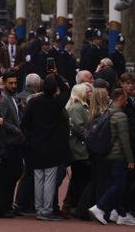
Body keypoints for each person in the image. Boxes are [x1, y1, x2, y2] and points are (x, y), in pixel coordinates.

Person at [22, 75, 71, 221]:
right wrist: (57, 76)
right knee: (49, 179)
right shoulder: (57, 103)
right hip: (53, 145)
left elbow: (25, 123)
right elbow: (67, 91)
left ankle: (39, 208)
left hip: (36, 144)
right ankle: (47, 209)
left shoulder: (34, 102)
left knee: (38, 178)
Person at [89, 88, 135, 225]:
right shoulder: (120, 116)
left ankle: (120, 213)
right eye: (125, 99)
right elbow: (124, 140)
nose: (127, 101)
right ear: (121, 99)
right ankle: (100, 207)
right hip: (118, 155)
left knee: (114, 184)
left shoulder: (106, 112)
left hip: (106, 154)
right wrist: (130, 160)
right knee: (119, 185)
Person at [64, 83, 92, 218]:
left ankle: (73, 205)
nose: (90, 93)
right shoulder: (77, 107)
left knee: (80, 178)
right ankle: (73, 205)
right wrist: (91, 136)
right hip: (78, 148)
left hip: (81, 147)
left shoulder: (83, 106)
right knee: (79, 179)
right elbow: (78, 128)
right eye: (87, 91)